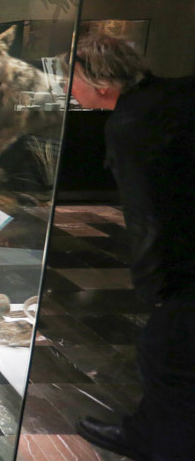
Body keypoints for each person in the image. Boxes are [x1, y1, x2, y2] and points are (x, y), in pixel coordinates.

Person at [69, 33, 195, 461]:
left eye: (72, 78)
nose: (68, 88)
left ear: (101, 83)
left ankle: (158, 444)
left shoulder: (132, 126)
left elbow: (150, 216)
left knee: (167, 357)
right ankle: (147, 431)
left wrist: (157, 287)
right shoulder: (170, 96)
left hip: (183, 266)